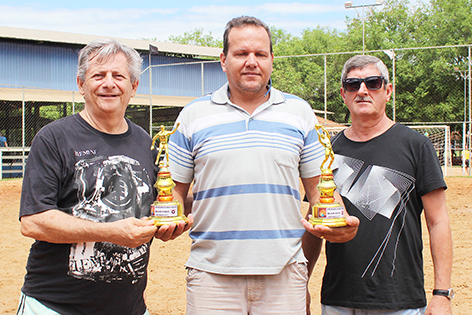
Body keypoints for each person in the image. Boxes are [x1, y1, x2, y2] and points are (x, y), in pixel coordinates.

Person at [168, 16, 359, 314]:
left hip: (284, 273)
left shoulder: (299, 113)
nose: (251, 62)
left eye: (260, 54)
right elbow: (174, 192)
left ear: (271, 59)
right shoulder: (193, 115)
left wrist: (340, 220)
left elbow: (321, 189)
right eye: (241, 53)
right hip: (211, 278)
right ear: (223, 59)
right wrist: (169, 218)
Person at [17, 38, 192, 315]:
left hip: (129, 308)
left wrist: (172, 222)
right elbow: (34, 222)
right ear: (81, 84)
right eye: (98, 75)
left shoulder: (145, 142)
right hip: (55, 307)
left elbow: (159, 204)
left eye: (118, 76)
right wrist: (112, 233)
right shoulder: (53, 138)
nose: (108, 83)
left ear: (133, 87)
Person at [308, 55, 453, 315]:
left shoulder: (416, 146)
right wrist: (301, 284)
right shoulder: (326, 153)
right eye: (353, 84)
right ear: (343, 94)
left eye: (372, 83)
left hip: (399, 300)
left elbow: (438, 221)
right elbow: (314, 224)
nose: (362, 90)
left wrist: (442, 294)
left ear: (388, 91)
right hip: (337, 299)